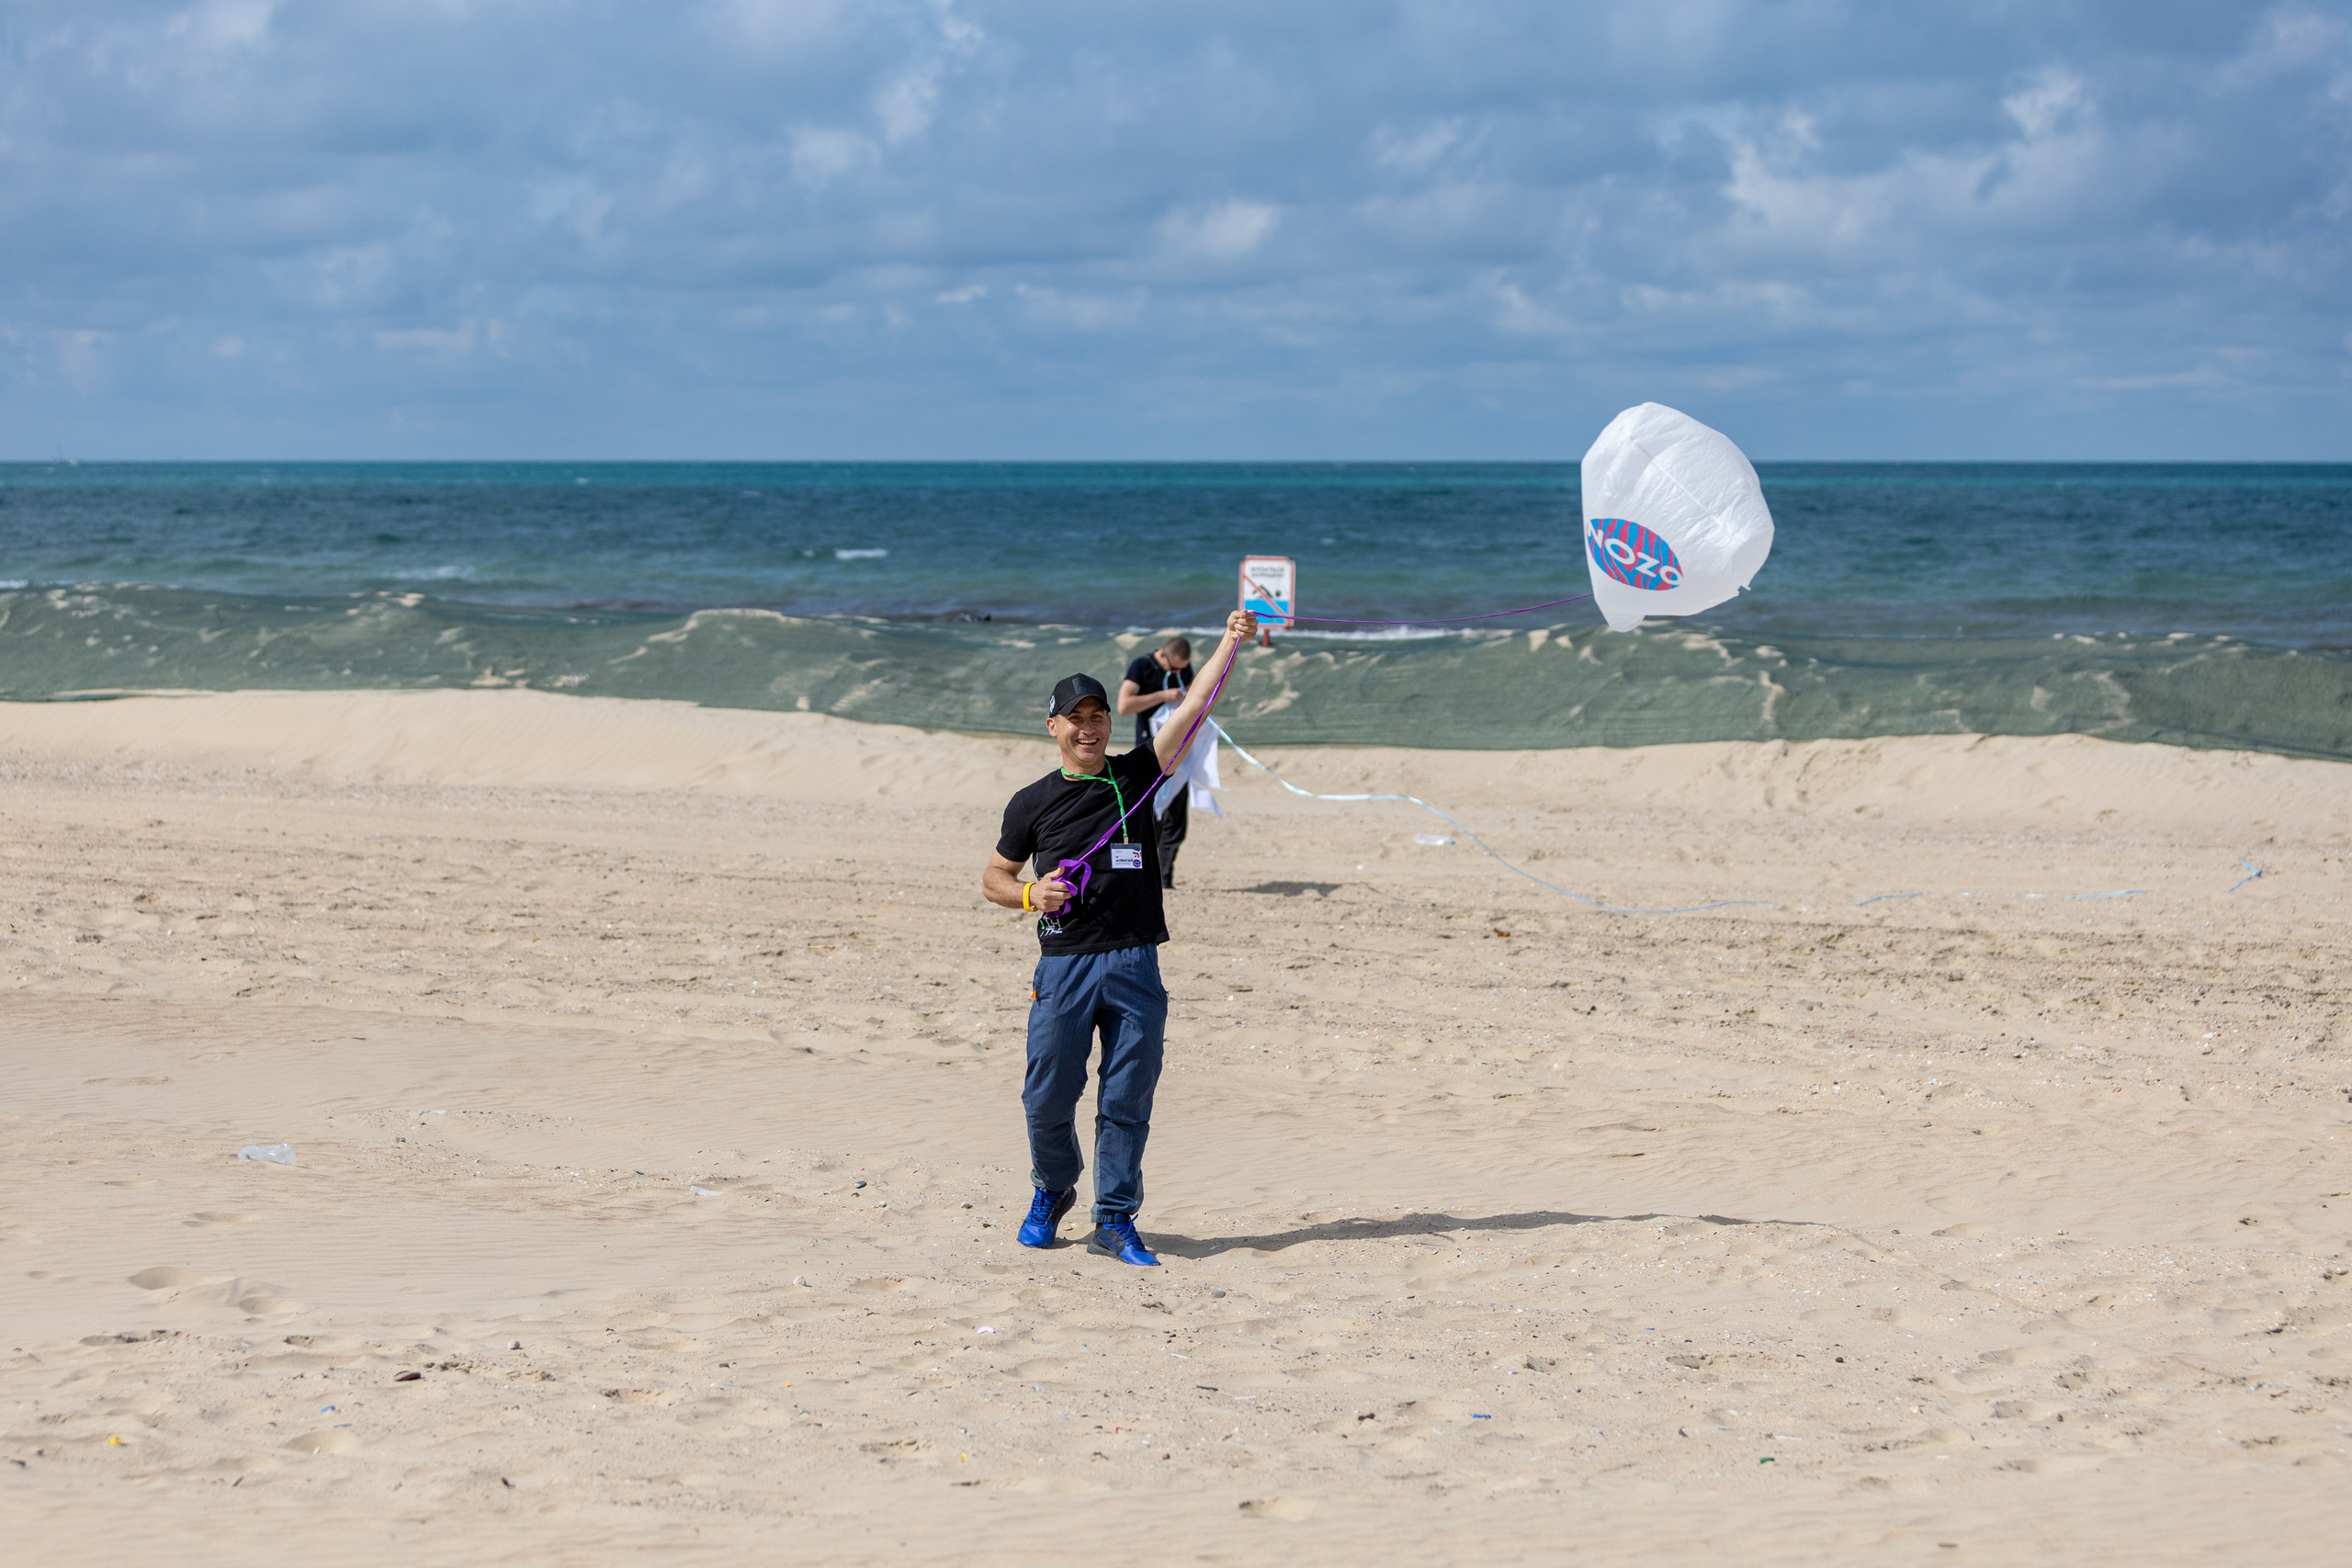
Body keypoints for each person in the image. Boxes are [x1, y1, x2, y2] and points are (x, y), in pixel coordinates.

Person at [981, 609, 1256, 1267]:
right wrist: (1031, 895)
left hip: (1135, 961)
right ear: (1053, 726)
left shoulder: (1138, 774)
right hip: (1064, 963)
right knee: (1046, 1096)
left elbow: (1193, 706)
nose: (1089, 727)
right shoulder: (1031, 802)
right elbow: (993, 878)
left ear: (1109, 722)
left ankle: (1115, 1217)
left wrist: (1230, 641)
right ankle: (1052, 1189)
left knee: (1127, 1097)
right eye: (1075, 718)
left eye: (1098, 715)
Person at [1118, 637, 1193, 888]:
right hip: (1147, 753)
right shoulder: (1142, 666)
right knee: (1149, 818)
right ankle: (1141, 877)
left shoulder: (1183, 669)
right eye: (1174, 668)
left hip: (1179, 755)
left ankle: (1164, 879)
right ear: (1162, 656)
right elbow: (1123, 705)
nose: (1179, 673)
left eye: (1183, 669)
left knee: (1176, 820)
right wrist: (1162, 695)